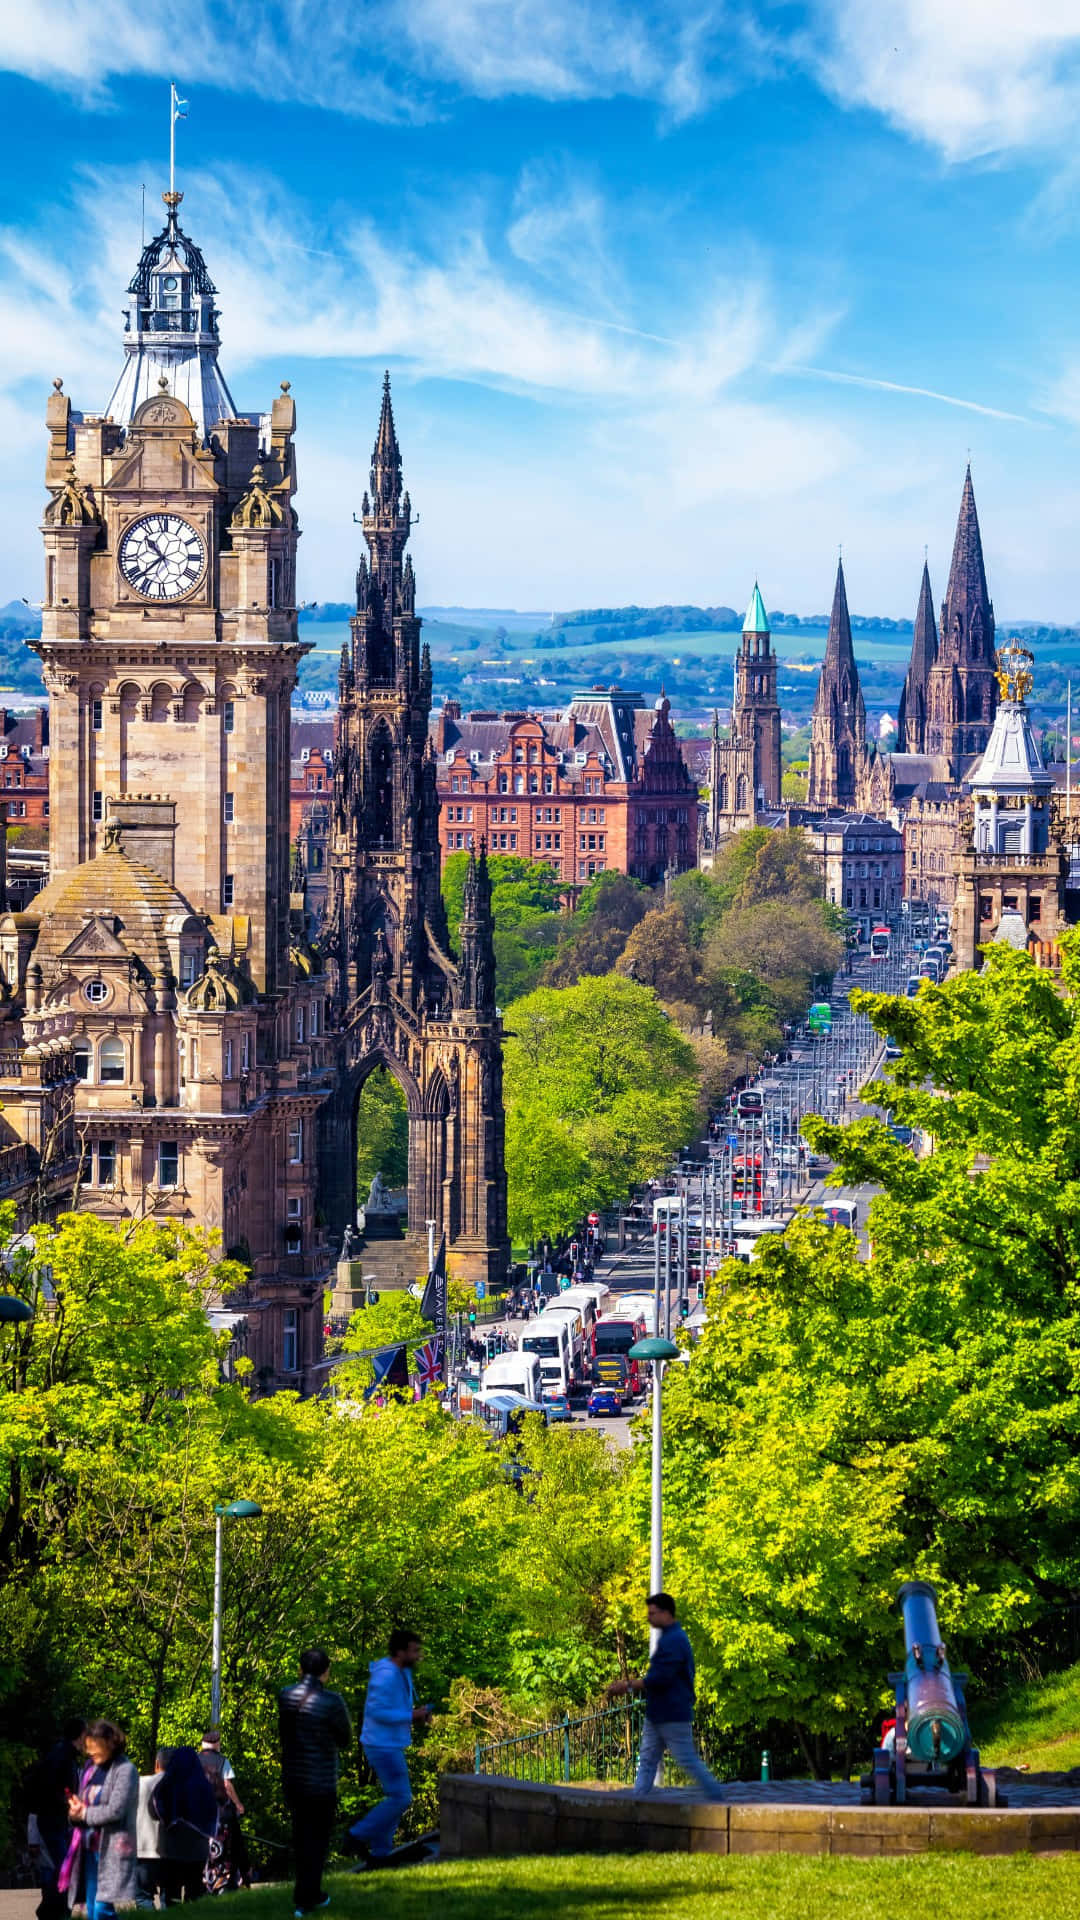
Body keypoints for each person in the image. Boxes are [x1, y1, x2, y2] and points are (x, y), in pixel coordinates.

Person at [607, 1594, 724, 1801]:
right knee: (648, 1758)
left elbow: (659, 1678)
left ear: (666, 1613)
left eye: (652, 1613)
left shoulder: (674, 1640)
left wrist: (626, 1686)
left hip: (672, 1712)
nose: (649, 1618)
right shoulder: (672, 1638)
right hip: (659, 1712)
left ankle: (716, 1797)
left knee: (685, 1759)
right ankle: (638, 1800)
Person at [347, 1630, 432, 1869]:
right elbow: (377, 1712)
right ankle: (357, 1835)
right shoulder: (386, 1676)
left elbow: (397, 1706)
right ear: (400, 1651)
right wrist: (411, 1715)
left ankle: (381, 1854)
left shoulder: (401, 1672)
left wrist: (418, 1714)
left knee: (395, 1797)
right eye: (414, 1650)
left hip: (390, 1743)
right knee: (402, 1797)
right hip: (381, 1744)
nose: (418, 1656)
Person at [278, 1648, 353, 1917]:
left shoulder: (286, 1696)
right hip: (321, 1779)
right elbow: (345, 1739)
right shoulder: (332, 1701)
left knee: (301, 1837)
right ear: (326, 1672)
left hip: (294, 1779)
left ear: (300, 1670)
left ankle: (305, 1894)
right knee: (318, 1840)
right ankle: (308, 1896)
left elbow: (284, 1735)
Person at [65, 1720, 139, 1920]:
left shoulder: (125, 1770)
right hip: (89, 1849)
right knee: (92, 1907)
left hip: (112, 1849)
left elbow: (117, 1810)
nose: (89, 1752)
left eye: (94, 1747)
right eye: (88, 1747)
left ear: (109, 1743)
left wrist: (84, 1815)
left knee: (101, 1910)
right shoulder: (91, 1768)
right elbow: (83, 1804)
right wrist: (75, 1812)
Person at [26, 1719, 87, 1920]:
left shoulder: (64, 1755)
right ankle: (52, 1911)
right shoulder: (61, 1756)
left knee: (64, 1869)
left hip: (57, 1820)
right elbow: (53, 1787)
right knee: (64, 1870)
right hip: (53, 1820)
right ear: (79, 1735)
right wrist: (69, 1800)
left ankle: (54, 1910)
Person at [151, 1746, 217, 1906]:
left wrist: (171, 1822)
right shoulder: (205, 1786)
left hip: (172, 1846)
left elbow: (154, 1809)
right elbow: (214, 1814)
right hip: (198, 1847)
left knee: (171, 1892)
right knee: (194, 1890)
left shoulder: (167, 1784)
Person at [198, 1730, 250, 1893]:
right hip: (220, 1813)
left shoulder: (194, 1760)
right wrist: (238, 1804)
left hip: (199, 1813)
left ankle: (204, 1883)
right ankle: (223, 1883)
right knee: (224, 1849)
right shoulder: (222, 1761)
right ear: (217, 1744)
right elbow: (227, 1785)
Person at [135, 1750, 169, 1910]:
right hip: (171, 1851)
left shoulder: (140, 1783)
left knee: (143, 1897)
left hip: (143, 1850)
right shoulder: (179, 1786)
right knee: (168, 1900)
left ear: (157, 1764)